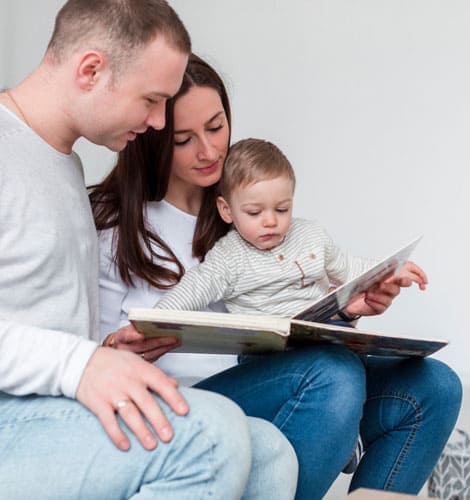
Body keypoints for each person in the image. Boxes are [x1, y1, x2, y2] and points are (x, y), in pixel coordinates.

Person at [91, 54, 462, 499]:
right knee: (332, 375)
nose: (209, 151)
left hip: (279, 378)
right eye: (184, 139)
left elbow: (290, 314)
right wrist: (118, 350)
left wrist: (348, 309)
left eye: (216, 127)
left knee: (434, 386)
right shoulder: (113, 225)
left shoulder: (253, 208)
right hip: (182, 404)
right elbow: (87, 355)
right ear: (151, 134)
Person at [0, 2, 299, 499]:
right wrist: (79, 364)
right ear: (91, 70)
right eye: (152, 99)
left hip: (49, 404)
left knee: (269, 449)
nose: (158, 121)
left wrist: (104, 354)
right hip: (13, 415)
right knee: (213, 436)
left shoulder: (60, 163)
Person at [155, 137, 427, 317]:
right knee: (336, 368)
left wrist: (391, 269)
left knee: (433, 377)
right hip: (268, 357)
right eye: (254, 212)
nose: (270, 221)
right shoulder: (229, 257)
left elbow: (349, 268)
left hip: (321, 333)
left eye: (282, 209)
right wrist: (154, 322)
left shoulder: (311, 236)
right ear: (227, 210)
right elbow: (195, 288)